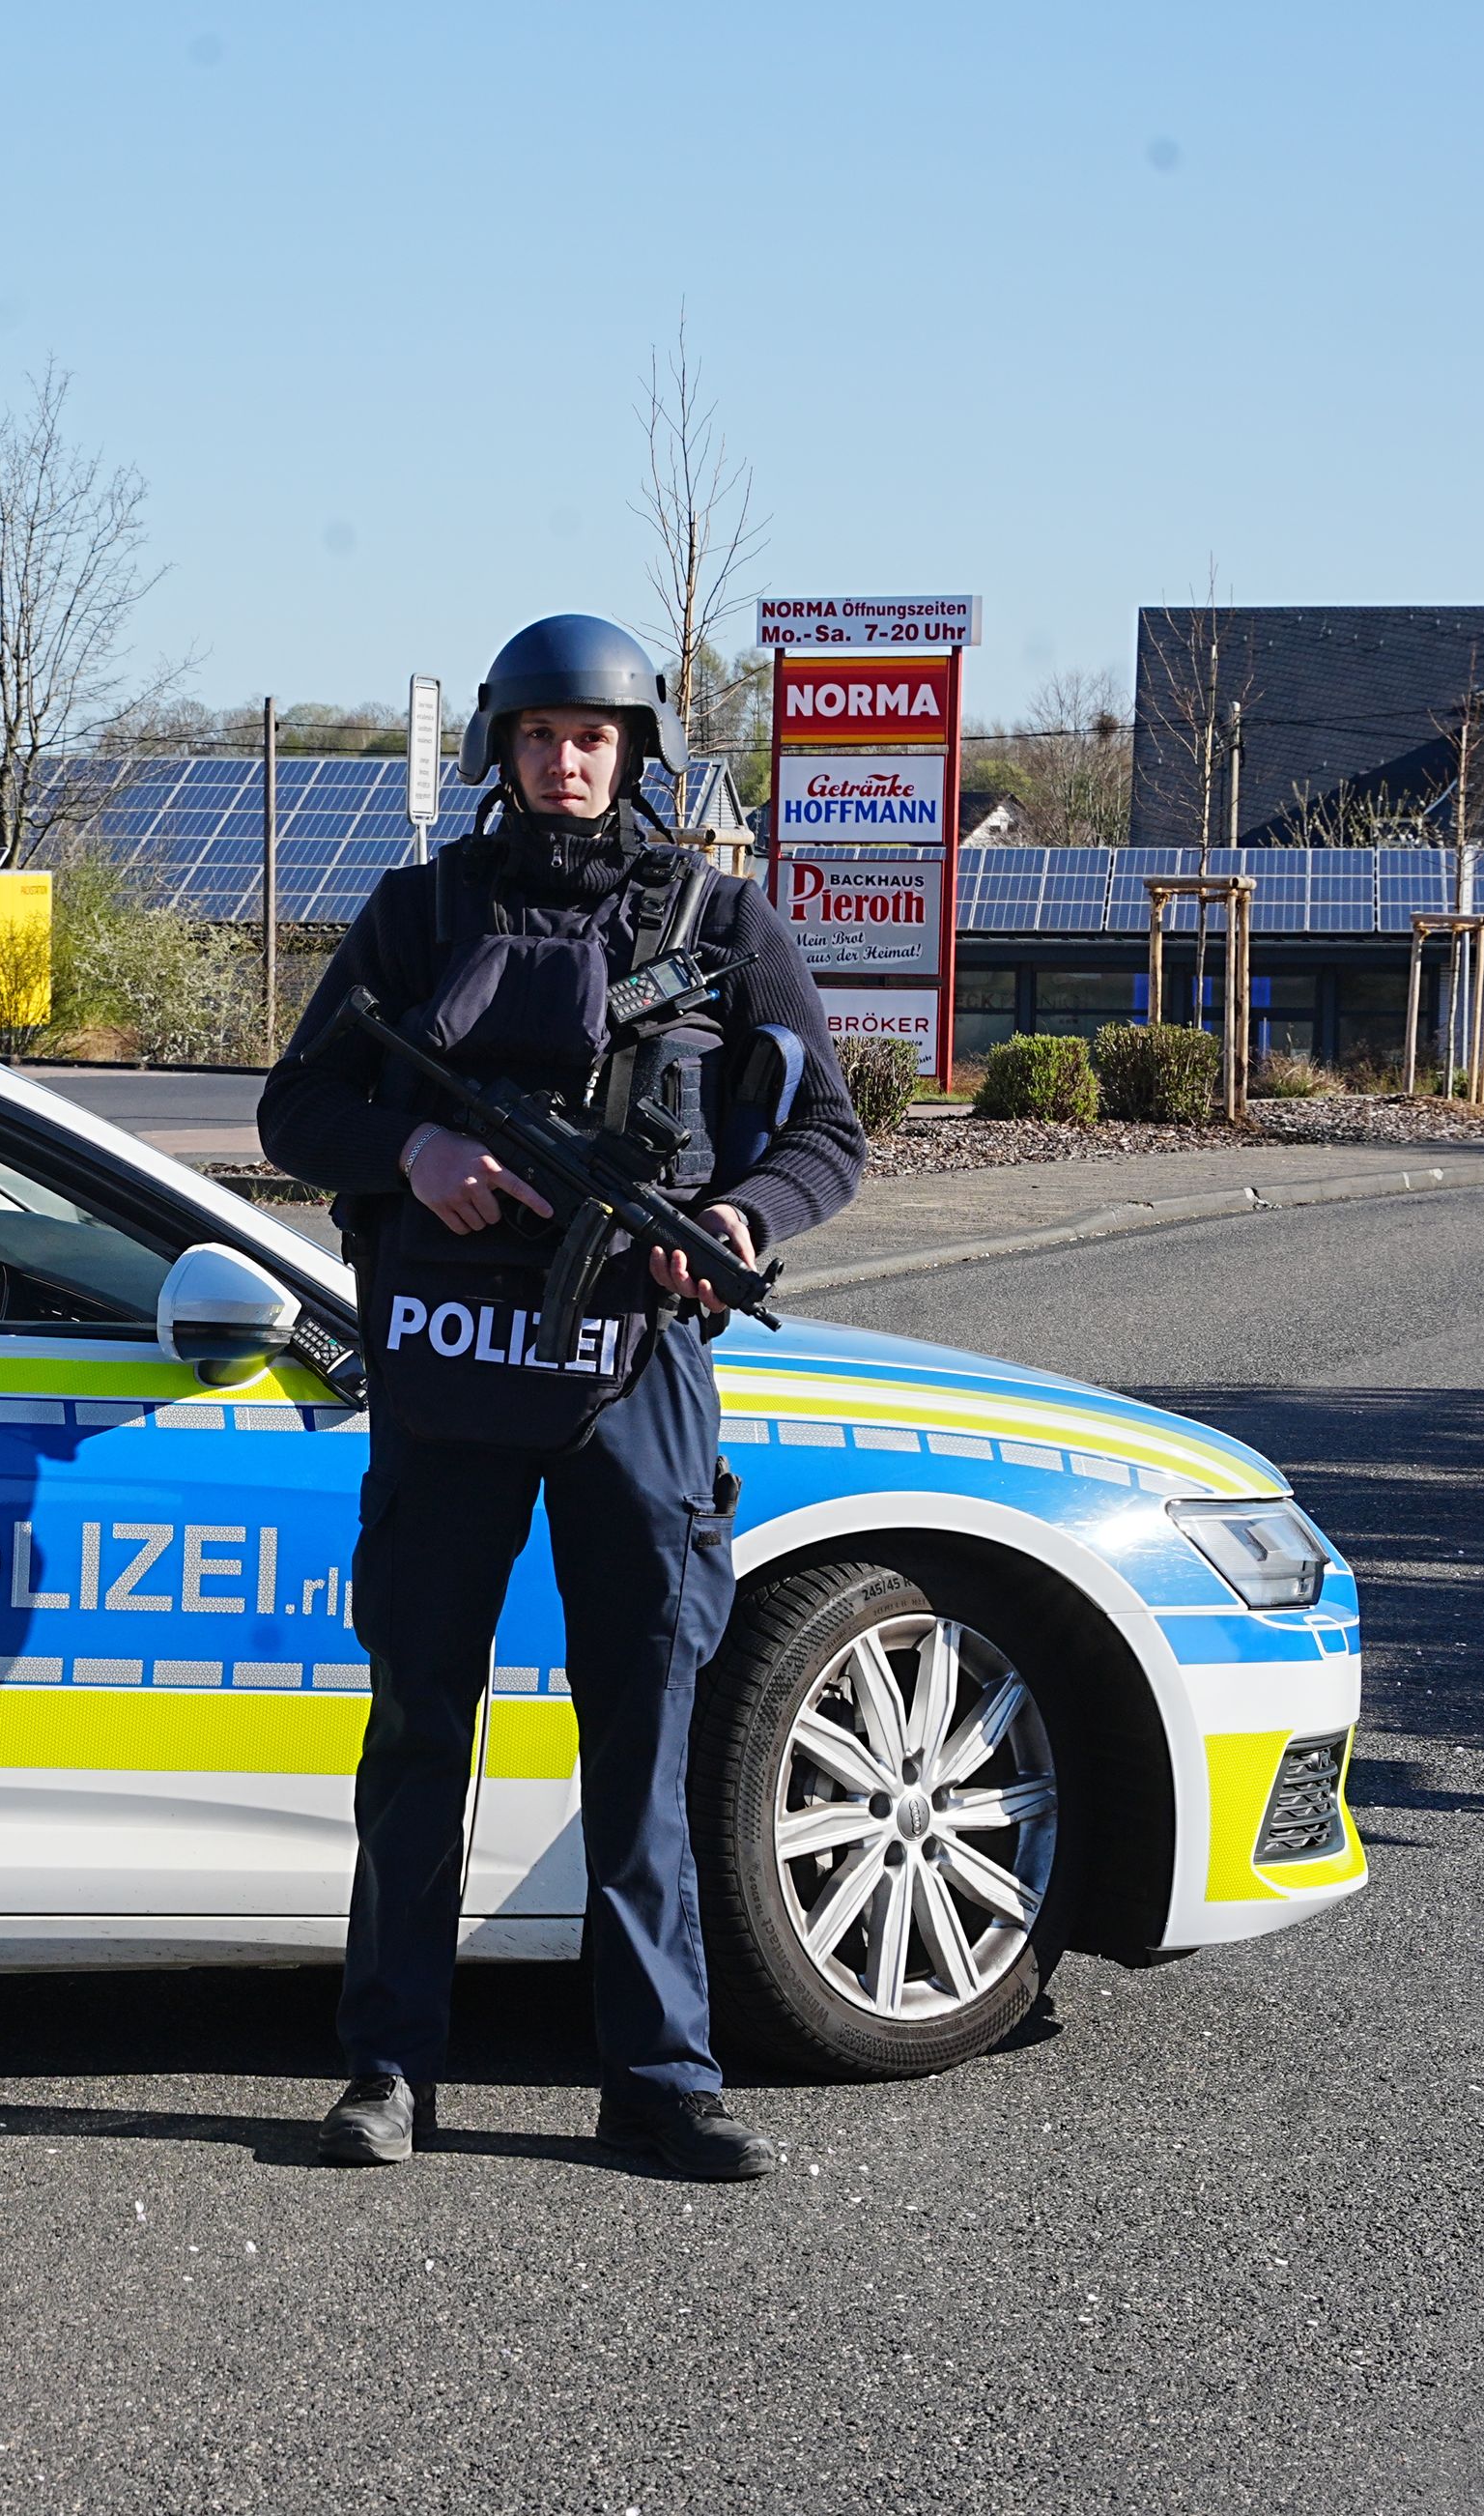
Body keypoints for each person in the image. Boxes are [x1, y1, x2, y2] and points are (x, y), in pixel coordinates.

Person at [258, 614, 869, 2181]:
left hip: (637, 1379)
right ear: (502, 750)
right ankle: (388, 2071)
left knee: (648, 1730)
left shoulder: (719, 920)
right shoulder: (422, 912)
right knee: (417, 1730)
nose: (566, 760)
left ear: (633, 754)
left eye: (592, 738)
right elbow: (299, 1100)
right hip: (452, 1373)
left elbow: (825, 1137)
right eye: (540, 737)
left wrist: (739, 1222)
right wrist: (415, 1153)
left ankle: (661, 2075)